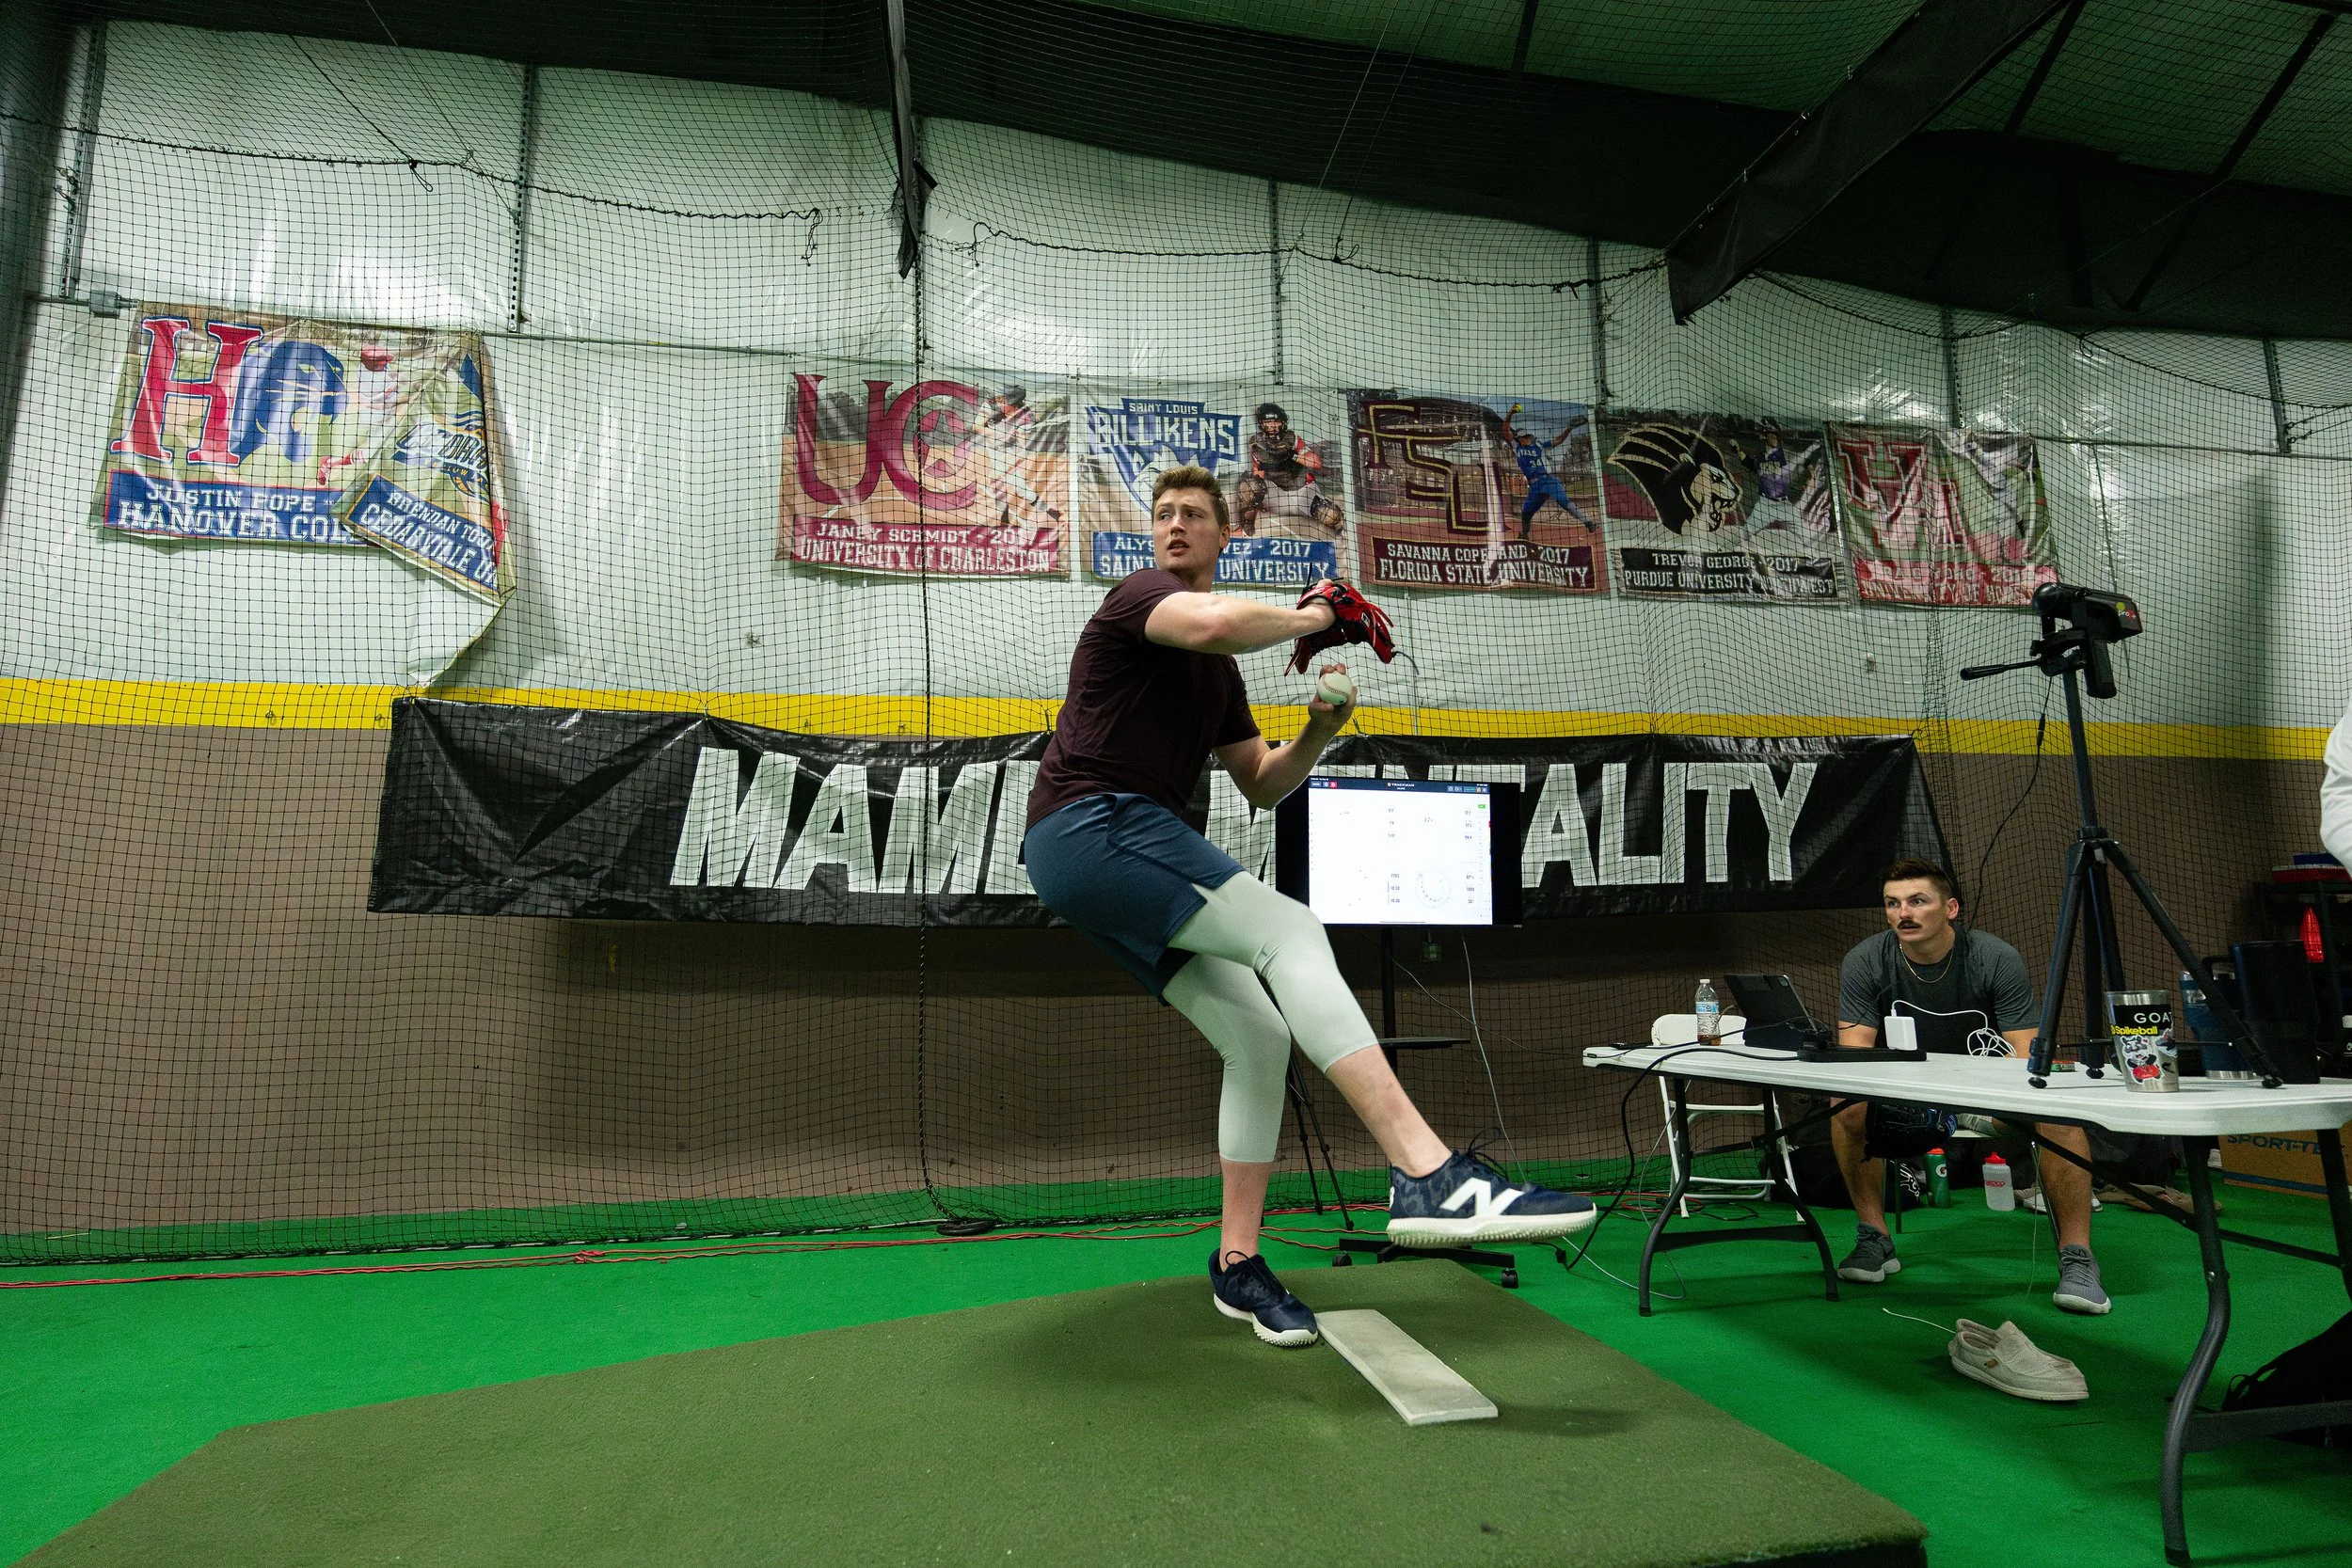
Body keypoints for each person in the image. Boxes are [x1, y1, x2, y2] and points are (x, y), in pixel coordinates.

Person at [1023, 464, 1595, 1349]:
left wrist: (1321, 728)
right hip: (1092, 824)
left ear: (1224, 536)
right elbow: (1217, 621)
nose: (1174, 526)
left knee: (1258, 1034)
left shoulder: (1217, 679)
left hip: (1105, 856)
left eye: (1193, 517)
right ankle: (1426, 1169)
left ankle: (1237, 1262)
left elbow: (1260, 783)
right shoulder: (1142, 599)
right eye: (1163, 515)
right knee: (1292, 928)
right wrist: (1318, 612)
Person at [1832, 859, 2110, 1315]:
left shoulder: (1993, 957)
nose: (1904, 913)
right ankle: (1874, 1238)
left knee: (2060, 1114)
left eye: (1918, 901)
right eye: (1893, 903)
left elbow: (2027, 1054)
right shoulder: (1867, 959)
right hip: (1909, 1092)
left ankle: (2077, 1258)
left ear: (1951, 908)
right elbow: (1855, 1053)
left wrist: (1990, 1099)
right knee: (1845, 1104)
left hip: (1989, 1090)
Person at [1233, 403, 1344, 539]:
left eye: (1276, 422)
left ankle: (1342, 534)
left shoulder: (1292, 440)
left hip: (1302, 492)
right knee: (1250, 485)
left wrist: (1292, 455)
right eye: (1268, 423)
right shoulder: (1257, 442)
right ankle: (1246, 530)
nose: (1273, 427)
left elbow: (1316, 462)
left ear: (1283, 423)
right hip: (1276, 495)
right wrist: (1257, 499)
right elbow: (1258, 474)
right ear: (1262, 424)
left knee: (1330, 514)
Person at [1497, 404, 1593, 537]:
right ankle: (1524, 534)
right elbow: (1505, 431)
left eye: (1529, 436)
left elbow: (1558, 440)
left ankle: (1588, 522)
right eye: (1526, 437)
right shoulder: (1516, 447)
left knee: (1564, 502)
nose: (1529, 438)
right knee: (1526, 512)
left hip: (1548, 480)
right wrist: (1510, 414)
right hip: (1535, 486)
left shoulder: (1539, 445)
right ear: (1519, 438)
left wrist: (1569, 429)